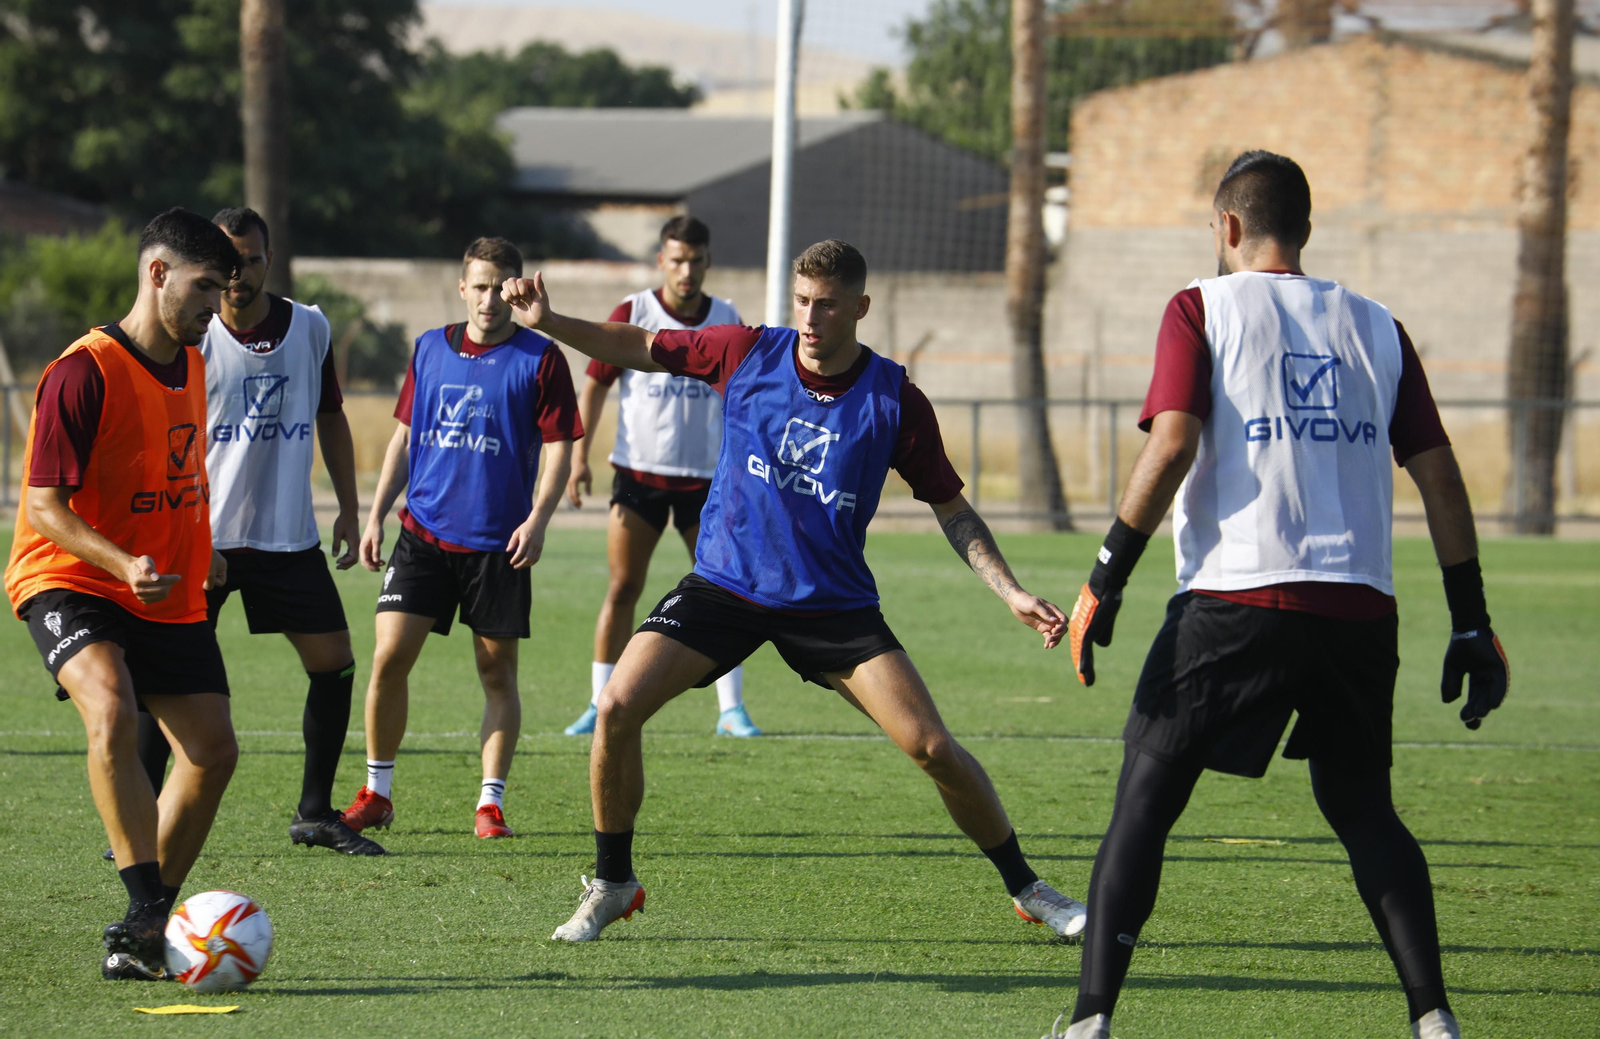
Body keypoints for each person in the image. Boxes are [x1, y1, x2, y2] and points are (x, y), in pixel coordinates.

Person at [501, 239, 1088, 944]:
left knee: (931, 747)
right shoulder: (746, 350)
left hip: (832, 603)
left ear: (860, 308)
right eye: (803, 301)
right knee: (618, 705)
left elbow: (951, 506)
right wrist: (551, 321)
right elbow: (641, 343)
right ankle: (613, 882)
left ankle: (1027, 887)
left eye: (828, 304)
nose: (810, 318)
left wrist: (1010, 590)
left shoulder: (894, 398)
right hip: (725, 585)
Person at [1051, 151, 1509, 1039]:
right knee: (1364, 809)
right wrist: (1472, 621)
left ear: (1227, 226)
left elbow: (1172, 445)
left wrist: (1104, 577)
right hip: (1360, 610)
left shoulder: (1200, 305)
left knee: (1145, 800)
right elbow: (1441, 477)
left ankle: (1090, 1021)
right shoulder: (1379, 325)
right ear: (1304, 227)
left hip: (1237, 599)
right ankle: (1435, 1019)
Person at [5, 208, 244, 980]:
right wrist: (121, 562)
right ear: (157, 274)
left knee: (211, 752)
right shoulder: (84, 370)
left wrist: (201, 557)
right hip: (71, 576)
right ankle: (145, 904)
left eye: (224, 288)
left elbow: (181, 478)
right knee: (110, 707)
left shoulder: (198, 364)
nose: (217, 304)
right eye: (205, 286)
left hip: (164, 588)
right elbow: (42, 506)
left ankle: (144, 929)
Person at [115, 206, 380, 855]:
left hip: (287, 536)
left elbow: (330, 415)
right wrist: (184, 539)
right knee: (165, 671)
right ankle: (141, 819)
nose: (239, 275)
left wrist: (349, 505)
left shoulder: (310, 327)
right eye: (227, 263)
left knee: (335, 663)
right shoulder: (190, 338)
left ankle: (315, 815)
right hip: (199, 540)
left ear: (269, 260)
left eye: (252, 260)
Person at [341, 237, 580, 840]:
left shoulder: (541, 359)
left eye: (501, 287)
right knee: (388, 659)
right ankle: (377, 792)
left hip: (498, 546)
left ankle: (490, 803)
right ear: (462, 287)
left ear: (518, 288)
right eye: (479, 286)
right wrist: (376, 514)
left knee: (497, 675)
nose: (489, 299)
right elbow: (402, 438)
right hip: (422, 534)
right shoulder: (429, 348)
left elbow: (558, 448)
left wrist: (540, 518)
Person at [563, 215, 760, 739]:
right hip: (639, 476)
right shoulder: (635, 311)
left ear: (708, 261)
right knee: (623, 587)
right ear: (661, 262)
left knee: (727, 592)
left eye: (696, 260)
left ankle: (731, 710)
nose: (687, 270)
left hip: (706, 481)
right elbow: (596, 383)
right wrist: (580, 455)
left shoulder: (727, 316)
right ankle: (597, 700)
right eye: (677, 259)